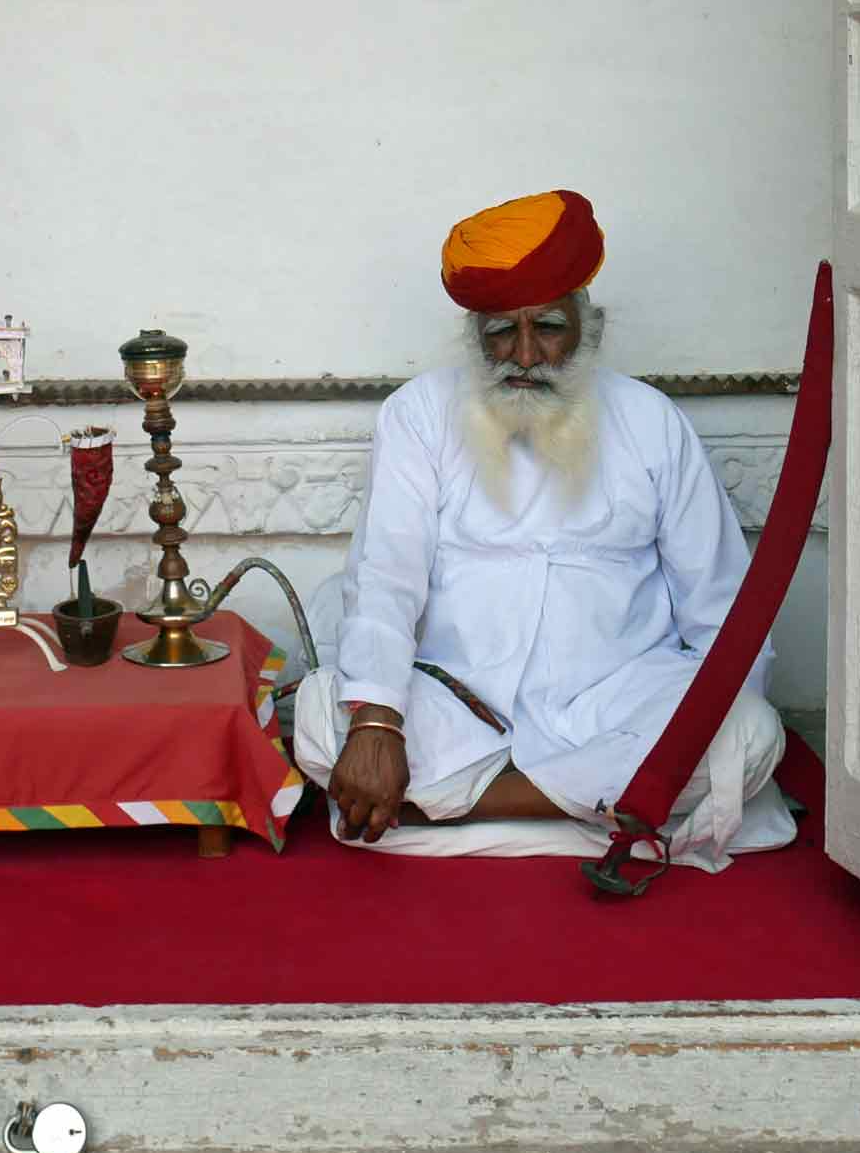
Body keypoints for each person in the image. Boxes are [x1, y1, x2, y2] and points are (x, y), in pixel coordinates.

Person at [291, 190, 794, 867]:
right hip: (461, 705)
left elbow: (722, 608)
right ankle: (614, 808)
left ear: (589, 325)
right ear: (474, 336)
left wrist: (709, 727)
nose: (524, 354)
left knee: (750, 730)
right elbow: (386, 576)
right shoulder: (420, 415)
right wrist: (380, 719)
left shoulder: (651, 422)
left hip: (613, 702)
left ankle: (460, 807)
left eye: (548, 328)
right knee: (323, 715)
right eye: (501, 331)